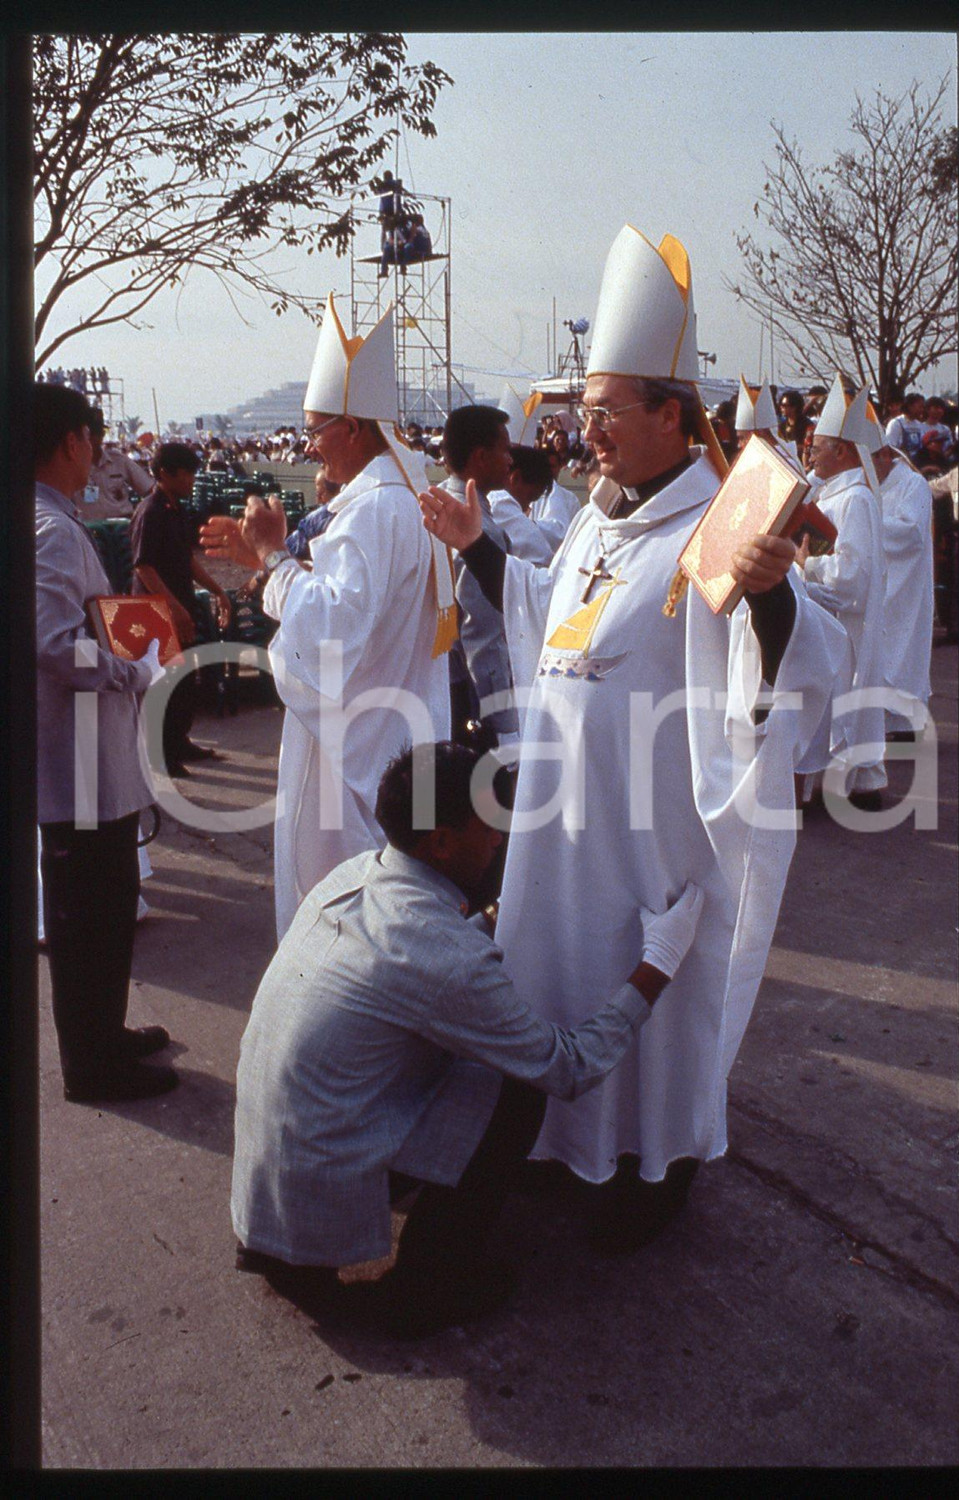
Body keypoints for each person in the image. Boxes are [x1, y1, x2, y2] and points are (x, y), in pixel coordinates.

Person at [420, 225, 847, 1254]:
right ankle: (562, 1142)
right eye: (585, 411)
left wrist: (770, 596)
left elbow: (804, 660)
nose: (589, 432)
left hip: (656, 827)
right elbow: (548, 617)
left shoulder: (723, 525)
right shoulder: (596, 517)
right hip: (565, 814)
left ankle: (655, 1168)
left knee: (647, 997)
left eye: (606, 412)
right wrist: (482, 550)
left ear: (670, 413)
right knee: (554, 974)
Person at [231, 742, 704, 1337]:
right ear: (442, 842)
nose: (501, 839)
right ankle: (426, 1288)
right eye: (489, 826)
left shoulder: (353, 876)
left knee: (463, 1056)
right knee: (517, 1089)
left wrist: (503, 910)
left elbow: (423, 953)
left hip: (270, 1196)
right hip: (311, 1219)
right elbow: (569, 1067)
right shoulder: (445, 959)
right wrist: (657, 964)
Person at [201, 297, 454, 938]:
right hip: (392, 719)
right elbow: (361, 607)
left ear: (354, 426)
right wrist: (272, 566)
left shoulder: (370, 510)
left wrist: (272, 556)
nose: (310, 447)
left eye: (316, 430)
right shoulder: (405, 497)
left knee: (340, 906)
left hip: (352, 736)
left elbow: (333, 629)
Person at [34, 382, 178, 1103]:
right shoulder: (51, 529)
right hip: (78, 763)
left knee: (105, 908)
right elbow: (56, 645)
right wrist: (133, 670)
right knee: (90, 917)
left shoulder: (54, 520)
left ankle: (104, 1034)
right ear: (70, 441)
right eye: (90, 438)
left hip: (84, 757)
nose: (95, 451)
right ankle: (91, 1063)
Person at [796, 377, 888, 809]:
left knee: (841, 706)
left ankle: (851, 788)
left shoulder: (855, 500)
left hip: (845, 625)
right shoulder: (830, 494)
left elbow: (853, 575)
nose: (811, 451)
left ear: (843, 451)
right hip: (825, 617)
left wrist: (806, 563)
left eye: (819, 446)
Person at [130, 442, 232, 779]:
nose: (191, 480)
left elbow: (187, 559)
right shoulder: (150, 512)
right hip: (156, 611)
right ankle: (161, 753)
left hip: (180, 606)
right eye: (185, 473)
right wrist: (174, 608)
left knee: (185, 680)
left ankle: (179, 741)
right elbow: (144, 567)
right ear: (165, 474)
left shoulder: (176, 510)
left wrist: (218, 590)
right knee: (164, 683)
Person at [440, 405, 520, 752]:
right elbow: (482, 637)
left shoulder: (439, 502)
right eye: (505, 450)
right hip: (469, 697)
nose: (510, 460)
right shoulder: (479, 529)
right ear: (481, 457)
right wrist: (503, 721)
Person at [871, 428, 935, 740]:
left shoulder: (914, 484)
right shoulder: (868, 485)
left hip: (906, 586)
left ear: (885, 455)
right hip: (878, 581)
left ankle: (907, 724)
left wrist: (866, 524)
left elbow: (912, 533)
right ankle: (880, 724)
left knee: (905, 650)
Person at [73, 405, 154, 520]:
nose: (94, 439)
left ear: (102, 435)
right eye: (89, 435)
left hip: (122, 523)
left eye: (97, 434)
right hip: (88, 525)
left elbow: (149, 489)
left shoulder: (119, 461)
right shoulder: (72, 465)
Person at [487, 445, 558, 568]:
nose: (526, 508)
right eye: (529, 498)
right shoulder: (500, 503)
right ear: (515, 478)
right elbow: (543, 558)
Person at [734, 376, 801, 465]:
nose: (739, 445)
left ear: (759, 434)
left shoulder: (785, 464)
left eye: (742, 438)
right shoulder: (747, 463)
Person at [284, 467, 342, 563]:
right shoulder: (360, 508)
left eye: (317, 493)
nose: (317, 500)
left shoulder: (315, 520)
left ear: (322, 494)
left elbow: (287, 551)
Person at [884, 392, 926, 463]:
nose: (922, 410)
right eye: (920, 407)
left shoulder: (919, 425)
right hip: (900, 463)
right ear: (910, 406)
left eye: (923, 407)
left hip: (917, 463)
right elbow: (890, 448)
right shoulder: (896, 423)